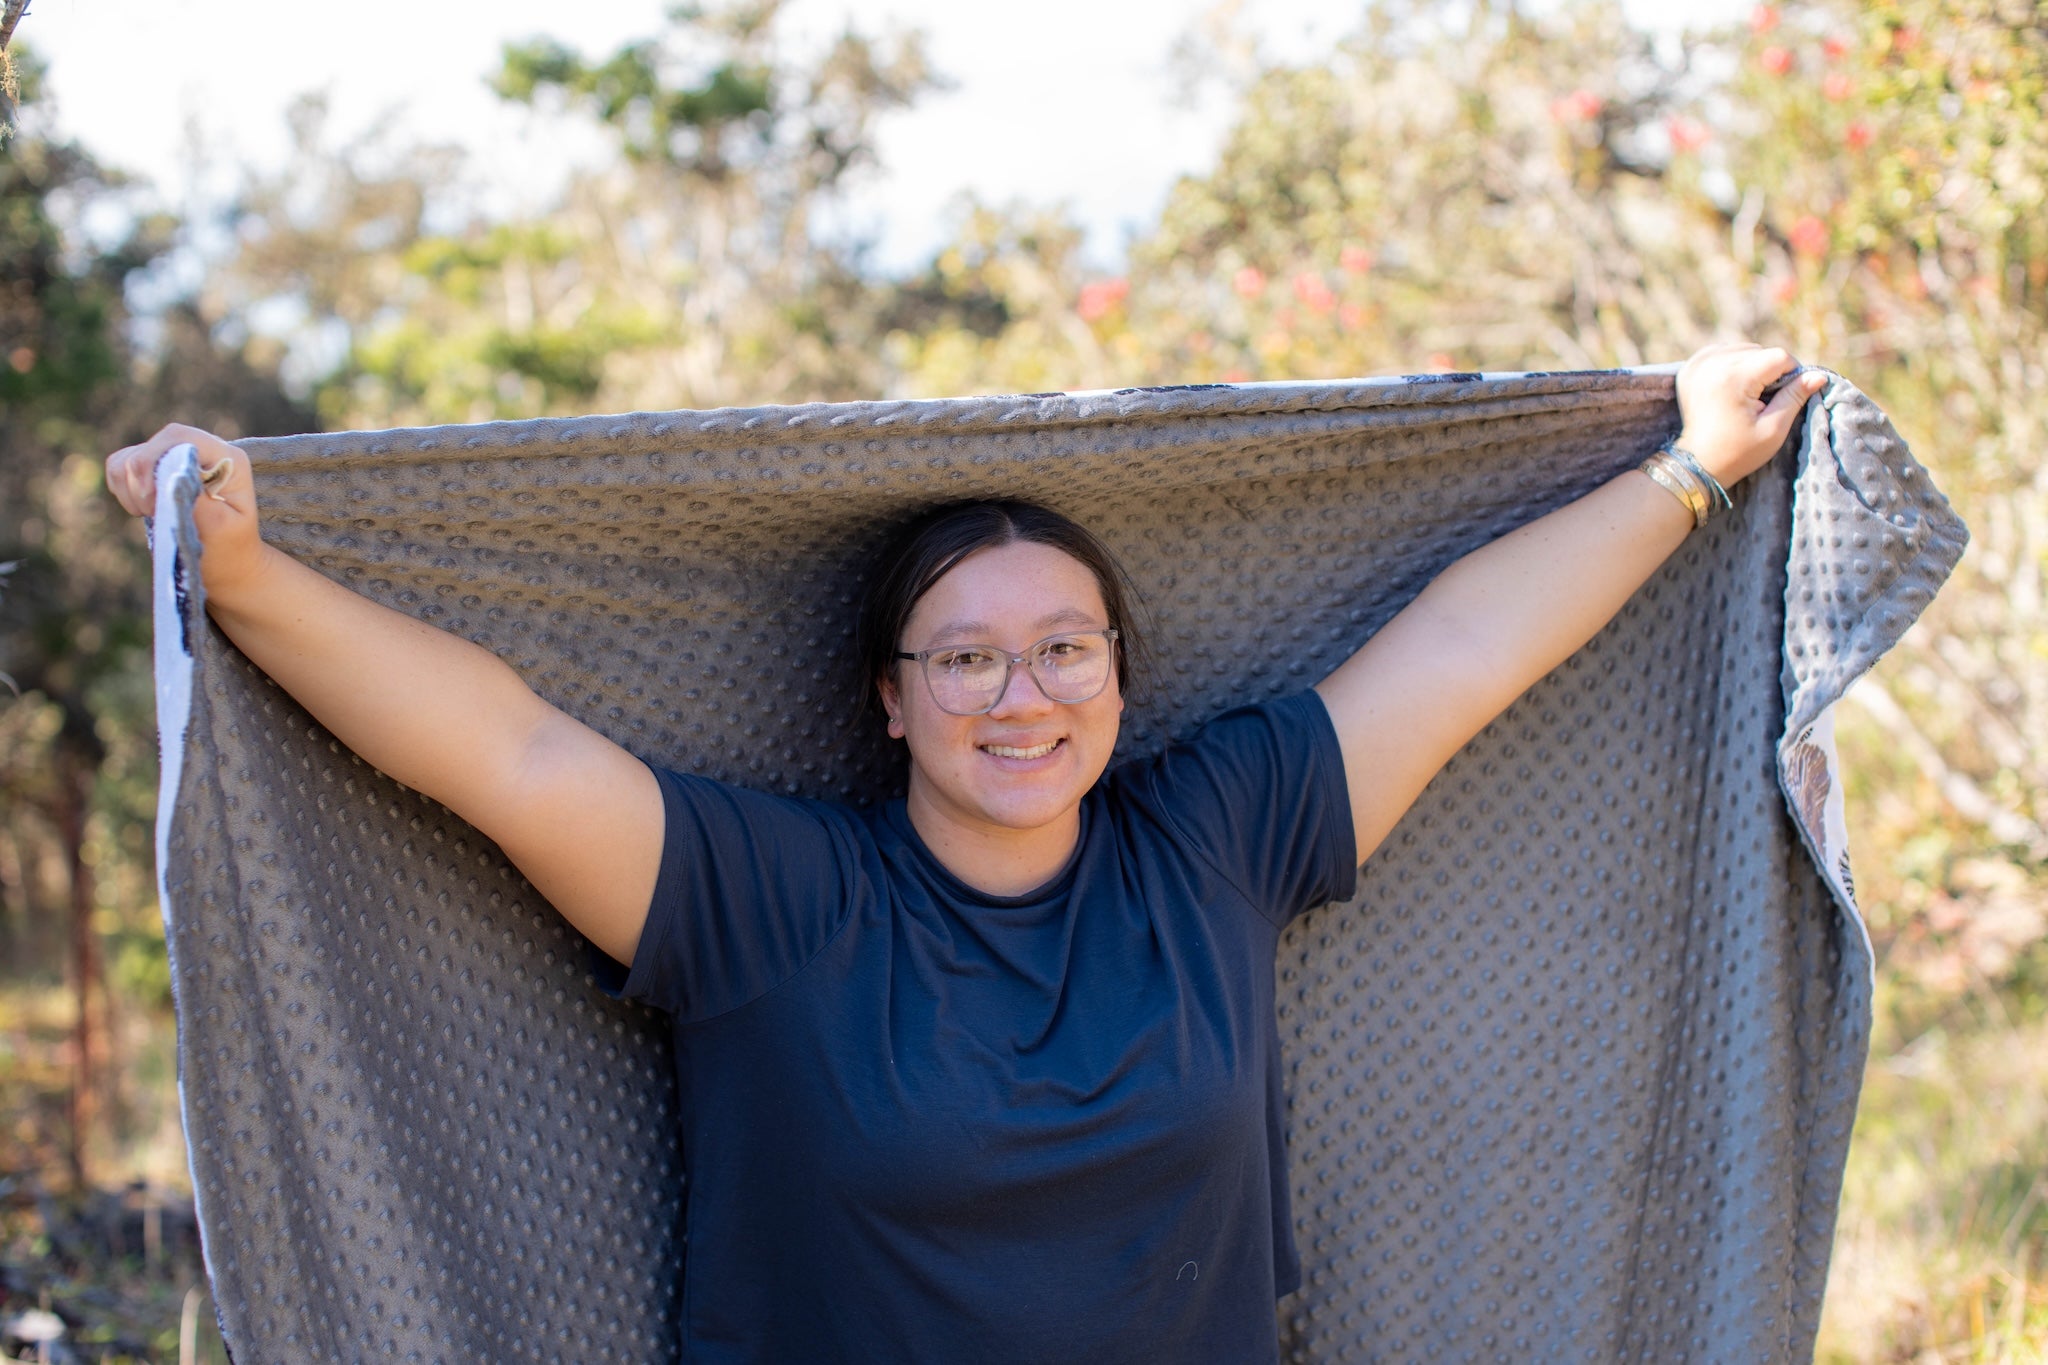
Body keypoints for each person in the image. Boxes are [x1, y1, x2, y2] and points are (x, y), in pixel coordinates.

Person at [106, 341, 1822, 1363]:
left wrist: (1689, 463)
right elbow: (509, 748)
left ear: (1121, 679)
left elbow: (1460, 652)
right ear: (893, 700)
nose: (1023, 692)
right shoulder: (772, 905)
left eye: (1066, 646)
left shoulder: (1214, 838)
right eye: (968, 656)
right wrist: (244, 571)